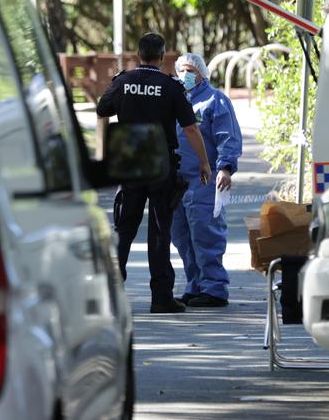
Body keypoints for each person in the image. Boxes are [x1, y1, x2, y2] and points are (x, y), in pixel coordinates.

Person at [96, 33, 212, 314]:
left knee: (124, 229)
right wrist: (204, 162)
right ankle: (161, 297)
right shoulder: (170, 86)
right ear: (162, 58)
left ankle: (110, 294)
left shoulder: (123, 81)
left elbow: (102, 109)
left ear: (138, 54)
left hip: (129, 164)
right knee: (160, 231)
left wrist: (104, 152)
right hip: (161, 165)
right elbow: (190, 128)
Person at [171, 52, 242, 307]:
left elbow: (227, 136)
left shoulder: (215, 101)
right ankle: (195, 285)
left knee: (206, 234)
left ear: (201, 73)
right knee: (182, 237)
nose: (185, 75)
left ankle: (214, 288)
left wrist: (225, 168)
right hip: (176, 182)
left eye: (190, 70)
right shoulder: (174, 100)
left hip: (204, 180)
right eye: (181, 70)